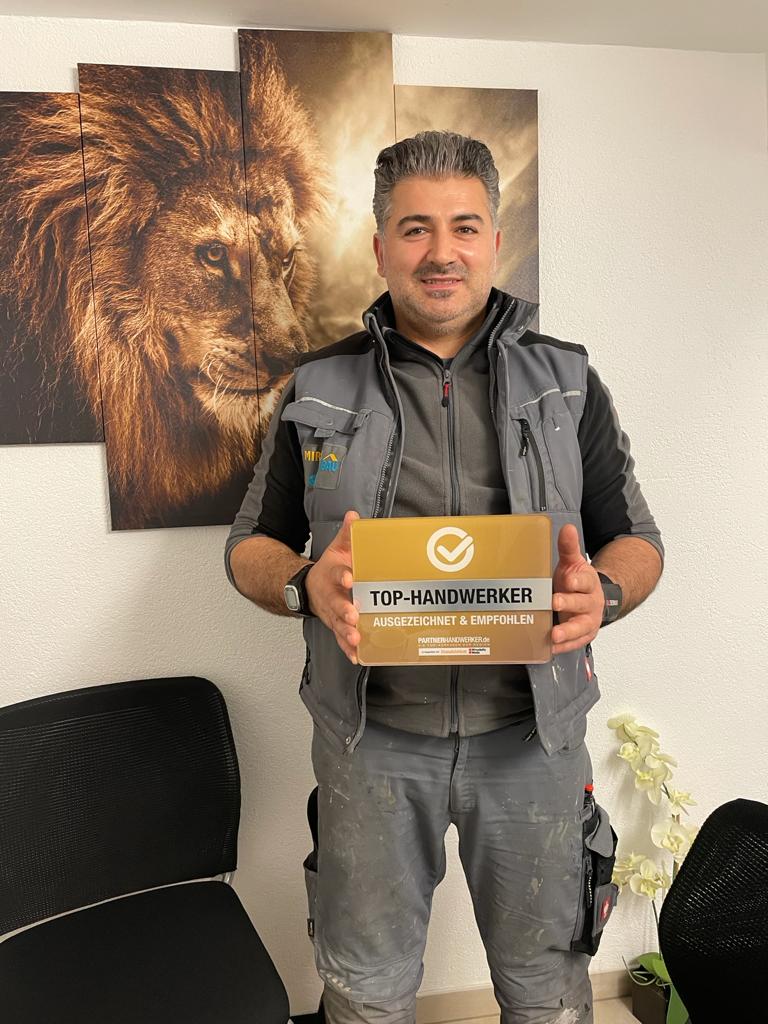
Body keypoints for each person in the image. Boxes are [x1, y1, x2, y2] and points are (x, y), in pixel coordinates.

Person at [225, 131, 663, 1024]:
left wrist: (606, 593)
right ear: (380, 246)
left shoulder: (568, 382)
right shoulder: (317, 386)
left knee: (548, 997)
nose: (441, 252)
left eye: (463, 227)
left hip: (532, 745)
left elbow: (638, 539)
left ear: (495, 242)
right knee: (365, 995)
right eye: (415, 228)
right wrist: (304, 585)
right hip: (371, 745)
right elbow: (249, 544)